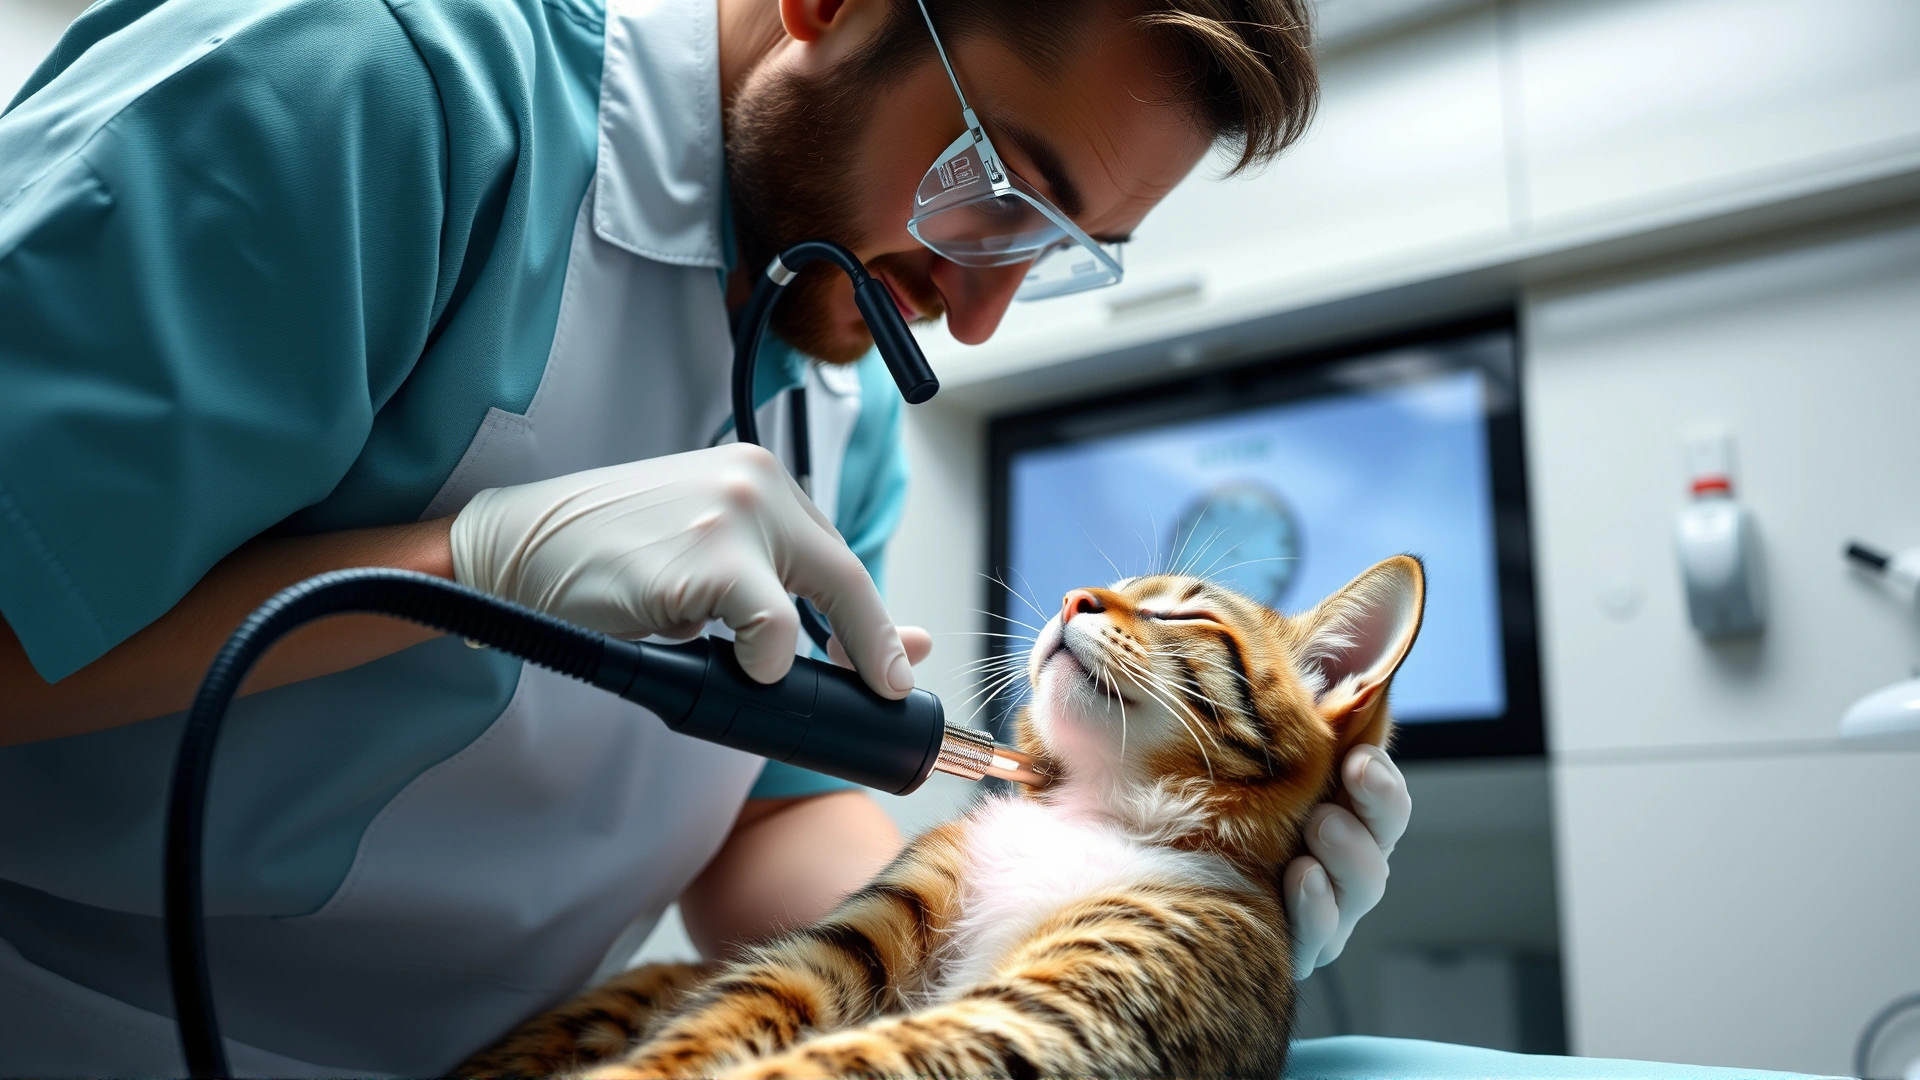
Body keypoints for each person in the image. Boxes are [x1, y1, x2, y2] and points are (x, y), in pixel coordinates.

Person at [0, 0, 1411, 1072]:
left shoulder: (838, 413)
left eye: (1053, 248)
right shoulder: (363, 85)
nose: (978, 312)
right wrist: (469, 567)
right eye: (999, 187)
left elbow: (769, 828)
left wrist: (1107, 914)